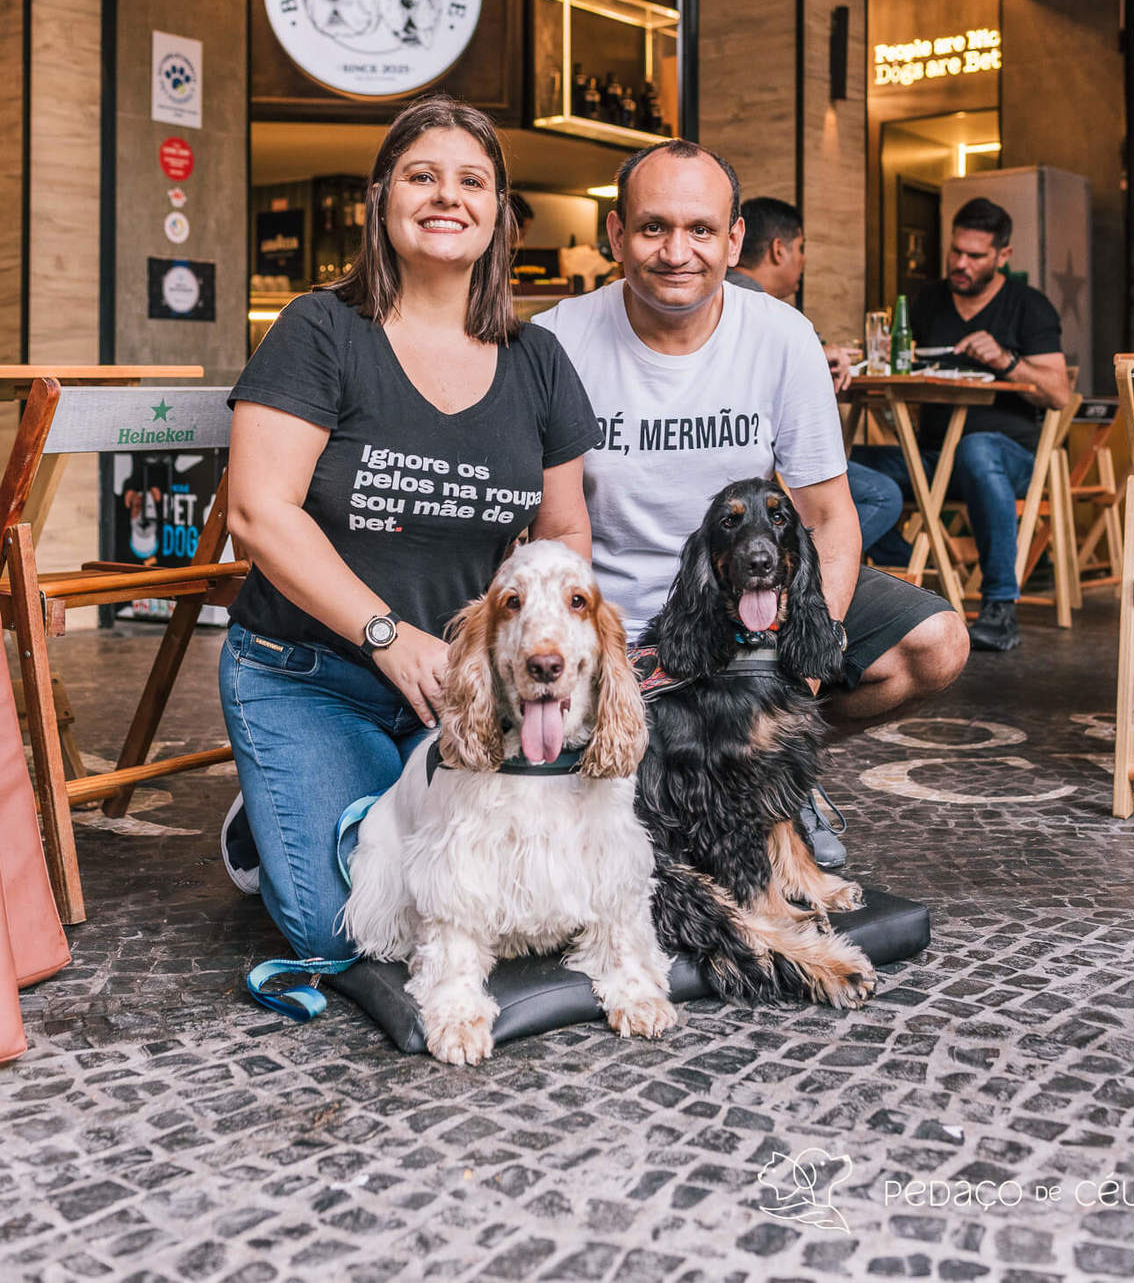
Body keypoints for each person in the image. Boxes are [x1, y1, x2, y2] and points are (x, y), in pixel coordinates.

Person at [219, 96, 599, 961]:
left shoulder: (537, 360)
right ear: (382, 197)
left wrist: (539, 646)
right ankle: (270, 809)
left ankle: (358, 797)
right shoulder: (321, 330)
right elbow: (257, 511)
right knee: (346, 929)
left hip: (462, 689)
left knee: (528, 895)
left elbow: (563, 528)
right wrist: (388, 638)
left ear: (498, 213)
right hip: (311, 674)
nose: (446, 196)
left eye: (472, 181)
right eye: (422, 176)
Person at [534, 140, 969, 865]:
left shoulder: (781, 337)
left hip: (748, 607)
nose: (679, 251)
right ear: (616, 234)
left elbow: (828, 517)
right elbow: (538, 530)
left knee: (935, 646)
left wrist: (797, 674)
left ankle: (768, 763)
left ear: (734, 240)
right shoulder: (556, 340)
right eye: (653, 228)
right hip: (620, 618)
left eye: (702, 230)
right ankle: (720, 762)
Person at [853, 196, 1070, 654]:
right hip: (935, 458)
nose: (961, 264)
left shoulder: (1028, 306)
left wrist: (1007, 360)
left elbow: (1058, 392)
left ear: (1003, 257)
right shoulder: (928, 301)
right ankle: (907, 572)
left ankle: (998, 608)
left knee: (977, 447)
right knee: (844, 465)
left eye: (975, 256)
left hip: (1011, 458)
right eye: (956, 252)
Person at [728, 195, 905, 554]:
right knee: (882, 496)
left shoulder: (734, 298)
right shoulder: (751, 304)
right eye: (801, 248)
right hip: (761, 464)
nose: (804, 260)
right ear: (779, 250)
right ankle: (794, 574)